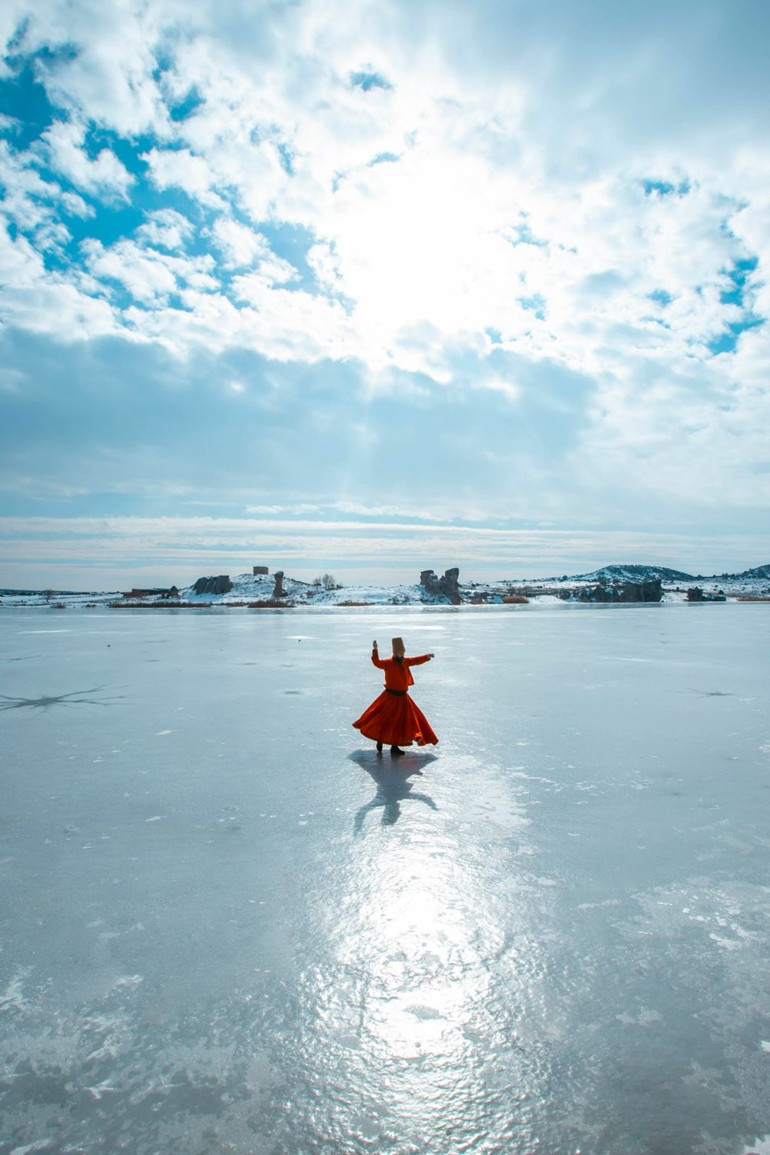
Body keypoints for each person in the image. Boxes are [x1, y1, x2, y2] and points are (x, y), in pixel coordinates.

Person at [352, 636, 438, 755]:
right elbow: (376, 662)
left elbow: (415, 660)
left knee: (400, 723)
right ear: (394, 652)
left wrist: (426, 657)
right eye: (399, 653)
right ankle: (380, 739)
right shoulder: (388, 663)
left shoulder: (405, 661)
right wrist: (375, 650)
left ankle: (394, 746)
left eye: (402, 653)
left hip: (403, 698)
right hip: (390, 698)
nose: (401, 655)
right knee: (385, 720)